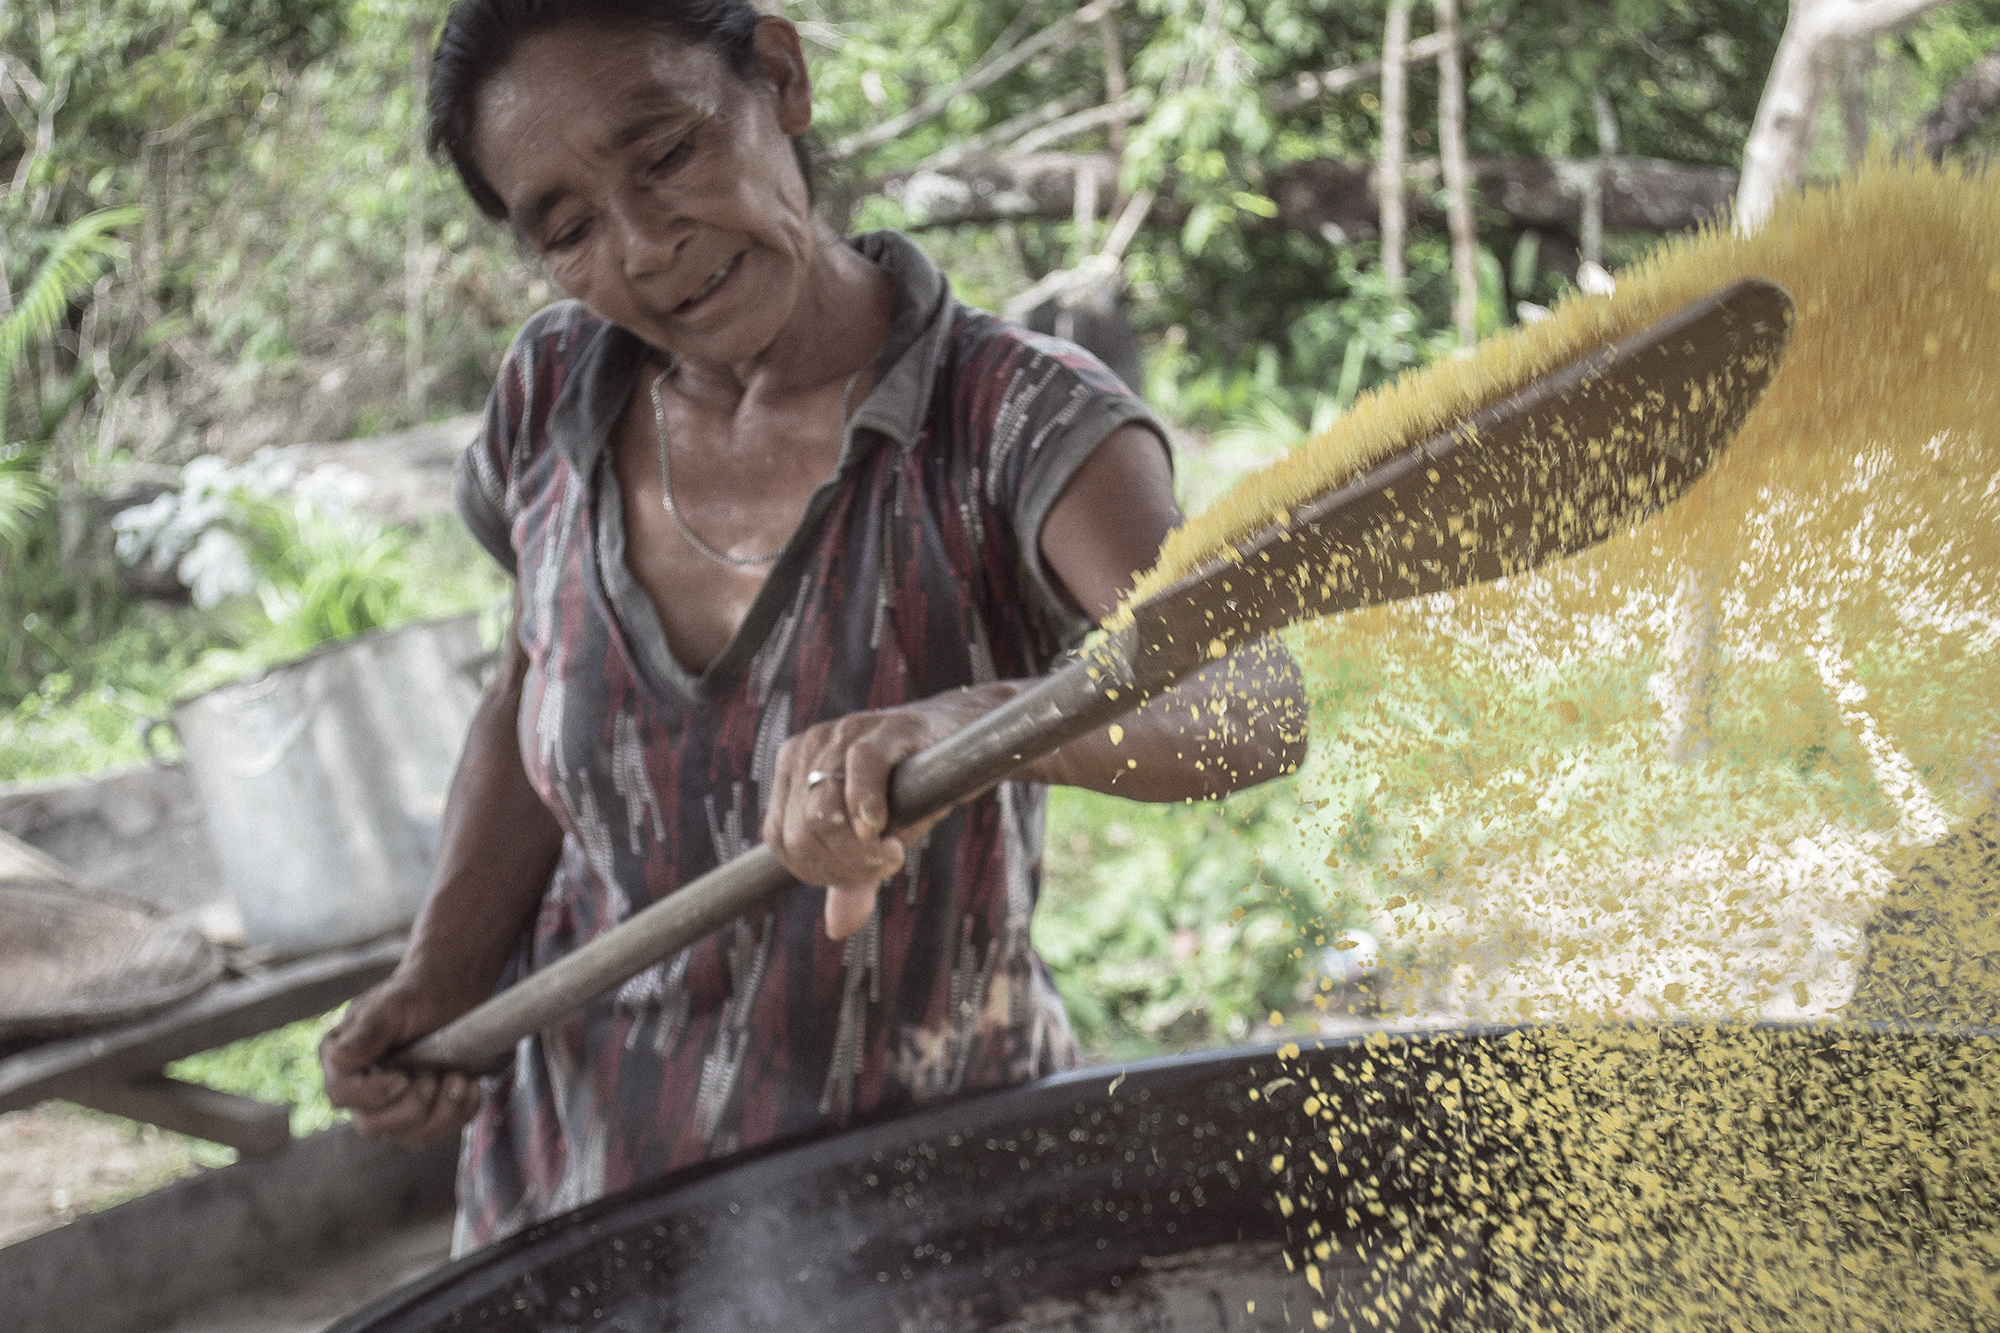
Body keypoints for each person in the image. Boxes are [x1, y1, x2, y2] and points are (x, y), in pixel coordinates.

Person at [319, 0, 1305, 1253]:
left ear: (777, 77)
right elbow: (529, 695)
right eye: (568, 228)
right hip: (579, 1186)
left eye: (666, 152)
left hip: (914, 1197)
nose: (646, 246)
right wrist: (442, 971)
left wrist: (985, 721)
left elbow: (1249, 707)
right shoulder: (551, 392)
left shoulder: (1012, 418)